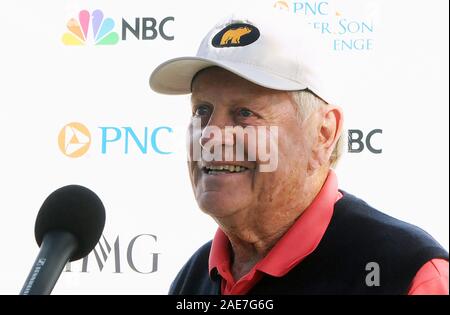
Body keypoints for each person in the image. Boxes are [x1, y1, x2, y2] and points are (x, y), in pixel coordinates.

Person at [149, 10, 449, 294]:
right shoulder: (194, 277)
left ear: (323, 133)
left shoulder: (409, 274)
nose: (210, 135)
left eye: (244, 112)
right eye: (202, 110)